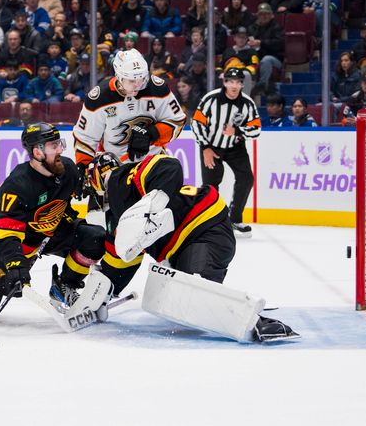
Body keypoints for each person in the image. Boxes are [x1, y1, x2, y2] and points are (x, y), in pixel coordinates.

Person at [83, 151, 296, 342]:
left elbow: (169, 165)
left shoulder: (122, 179)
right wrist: (105, 293)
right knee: (182, 300)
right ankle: (234, 308)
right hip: (191, 241)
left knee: (195, 290)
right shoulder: (121, 218)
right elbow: (122, 260)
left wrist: (155, 202)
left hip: (204, 229)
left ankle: (256, 322)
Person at [0, 122, 108, 323]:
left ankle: (64, 286)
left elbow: (68, 196)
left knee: (96, 238)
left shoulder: (68, 170)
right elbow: (6, 234)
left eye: (60, 143)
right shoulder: (18, 184)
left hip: (52, 232)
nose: (60, 150)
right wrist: (16, 264)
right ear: (37, 152)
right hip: (16, 242)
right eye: (53, 146)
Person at [72, 48, 186, 191]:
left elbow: (178, 121)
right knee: (118, 212)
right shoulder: (99, 98)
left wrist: (152, 134)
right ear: (119, 76)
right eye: (132, 80)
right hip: (115, 169)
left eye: (142, 78)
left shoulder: (157, 88)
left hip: (153, 163)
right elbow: (85, 137)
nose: (138, 85)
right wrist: (83, 167)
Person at [191, 68, 261, 237]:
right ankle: (209, 222)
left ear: (242, 84)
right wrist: (205, 147)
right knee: (210, 185)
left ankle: (234, 219)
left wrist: (237, 131)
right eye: (230, 81)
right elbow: (196, 123)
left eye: (238, 82)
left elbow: (256, 130)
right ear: (224, 82)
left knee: (246, 178)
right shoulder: (211, 99)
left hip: (235, 147)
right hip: (211, 146)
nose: (234, 85)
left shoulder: (247, 103)